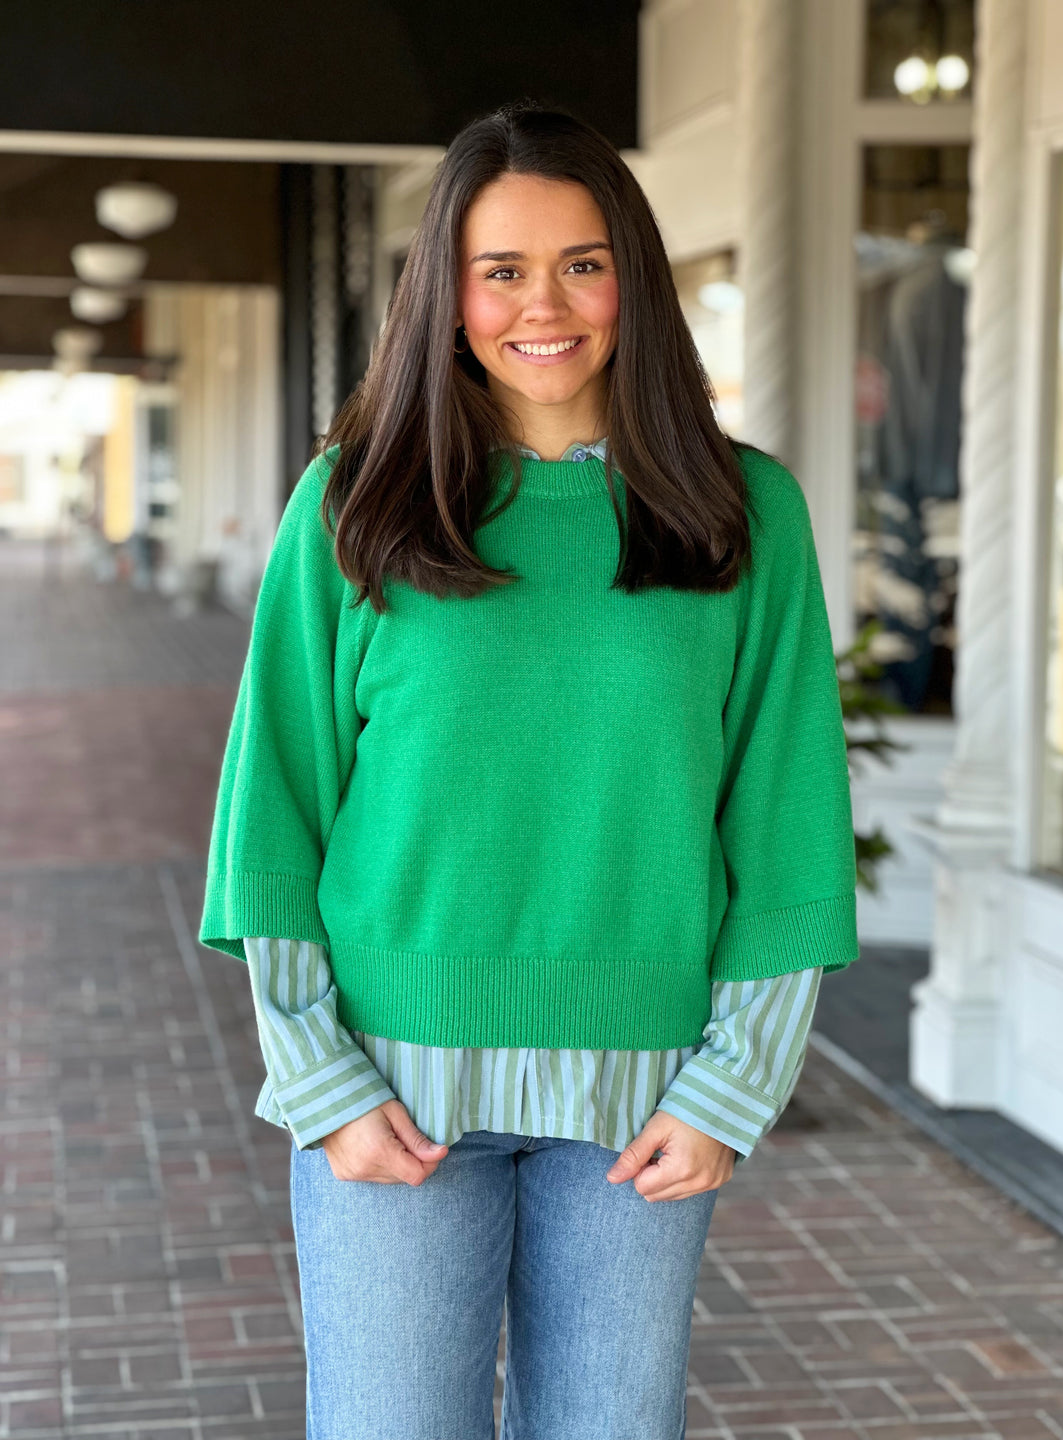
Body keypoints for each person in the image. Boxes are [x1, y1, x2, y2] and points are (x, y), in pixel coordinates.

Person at [199, 100, 859, 1440]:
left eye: (582, 262)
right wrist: (321, 1084)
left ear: (635, 279)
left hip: (642, 1103)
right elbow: (272, 812)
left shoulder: (743, 515)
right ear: (446, 295)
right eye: (500, 270)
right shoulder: (353, 505)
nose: (541, 306)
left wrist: (736, 1083)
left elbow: (787, 819)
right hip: (392, 1090)